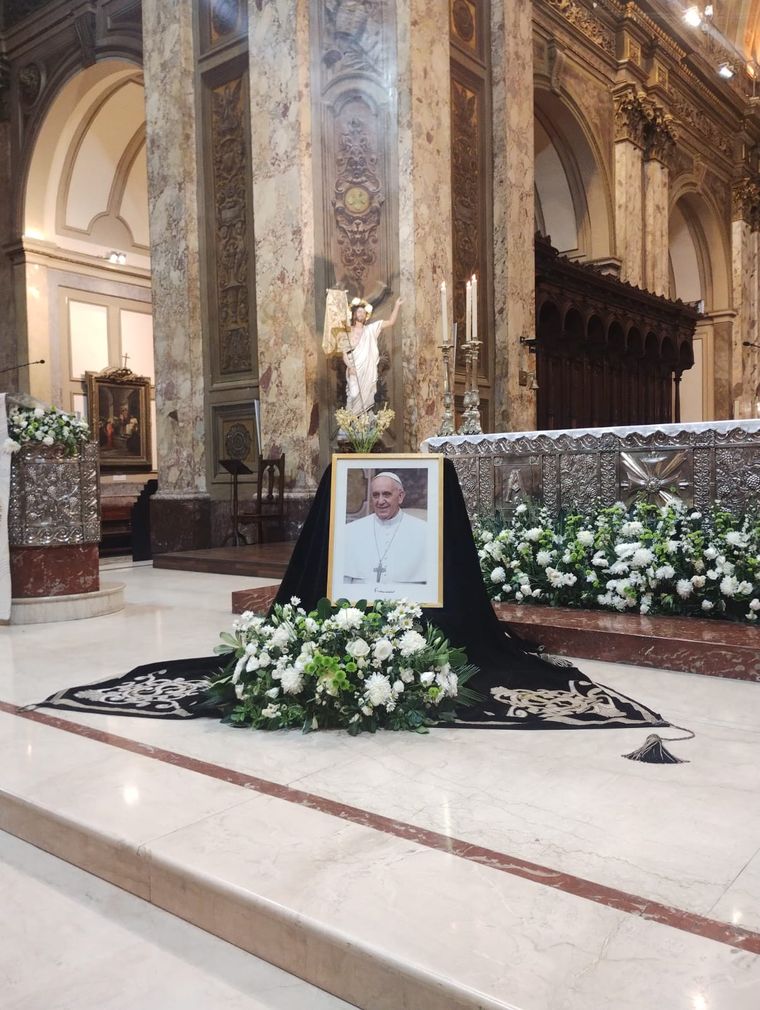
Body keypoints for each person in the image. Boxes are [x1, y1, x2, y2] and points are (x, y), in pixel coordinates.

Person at [343, 471, 427, 585]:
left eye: (386, 494)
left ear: (400, 497)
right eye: (375, 495)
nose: (380, 501)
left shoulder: (424, 531)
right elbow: (343, 584)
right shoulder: (351, 531)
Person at [342, 296, 402, 414]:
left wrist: (397, 305)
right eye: (359, 312)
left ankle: (364, 419)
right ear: (354, 314)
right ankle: (351, 419)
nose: (361, 314)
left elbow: (391, 322)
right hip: (354, 369)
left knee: (368, 395)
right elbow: (344, 353)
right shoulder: (348, 332)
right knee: (353, 394)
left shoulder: (370, 329)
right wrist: (350, 367)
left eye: (363, 312)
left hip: (368, 370)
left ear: (366, 316)